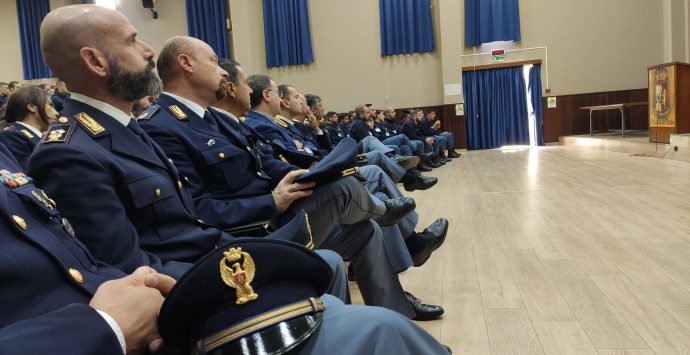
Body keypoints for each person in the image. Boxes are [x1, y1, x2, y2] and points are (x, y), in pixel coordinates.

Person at [138, 41, 437, 319]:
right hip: (252, 232)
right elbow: (197, 210)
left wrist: (313, 175)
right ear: (185, 63)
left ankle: (393, 315)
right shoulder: (162, 126)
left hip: (280, 214)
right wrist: (270, 202)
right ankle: (387, 215)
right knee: (345, 190)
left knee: (365, 229)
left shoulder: (212, 118)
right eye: (214, 61)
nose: (221, 71)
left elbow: (264, 163)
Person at [0, 86, 59, 169]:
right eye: (50, 105)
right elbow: (34, 173)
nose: (56, 113)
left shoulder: (42, 136)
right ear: (32, 107)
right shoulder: (12, 136)